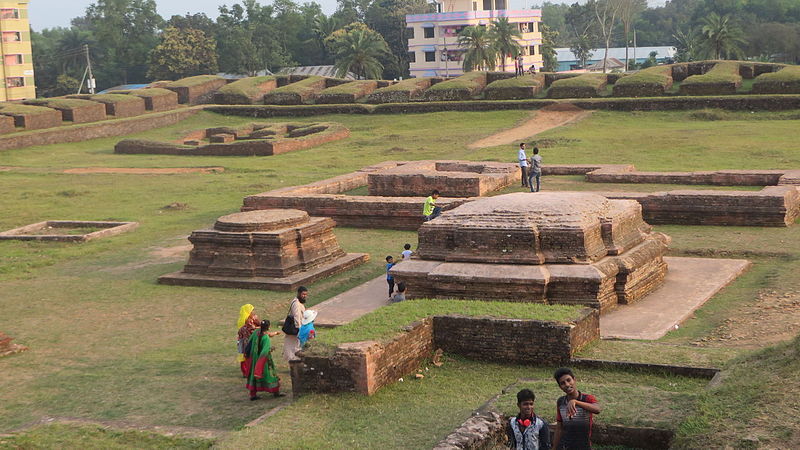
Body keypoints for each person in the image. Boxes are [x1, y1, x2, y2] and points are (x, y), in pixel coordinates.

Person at [552, 368, 602, 450]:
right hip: (565, 446)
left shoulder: (587, 398)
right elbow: (559, 428)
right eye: (563, 383)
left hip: (584, 446)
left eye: (569, 380)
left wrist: (576, 402)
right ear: (560, 387)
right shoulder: (561, 402)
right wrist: (554, 447)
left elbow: (597, 409)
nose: (567, 384)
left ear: (574, 380)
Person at [244, 320, 283, 400]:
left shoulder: (256, 332)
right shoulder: (265, 338)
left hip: (254, 359)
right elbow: (265, 351)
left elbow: (250, 341)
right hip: (263, 361)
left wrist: (275, 333)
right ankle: (276, 392)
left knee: (253, 376)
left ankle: (253, 395)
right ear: (268, 327)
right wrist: (271, 349)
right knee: (271, 375)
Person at [282, 286, 308, 361]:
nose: (304, 296)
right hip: (295, 328)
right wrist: (299, 328)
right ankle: (292, 360)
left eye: (306, 294)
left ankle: (293, 360)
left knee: (293, 345)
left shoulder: (298, 302)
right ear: (299, 293)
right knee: (293, 346)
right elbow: (297, 316)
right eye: (303, 294)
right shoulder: (296, 303)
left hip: (296, 328)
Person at [236, 304, 260, 377]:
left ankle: (245, 371)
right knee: (248, 356)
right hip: (248, 341)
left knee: (244, 356)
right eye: (251, 310)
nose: (253, 312)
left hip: (242, 340)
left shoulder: (241, 319)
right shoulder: (248, 320)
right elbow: (254, 328)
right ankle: (247, 372)